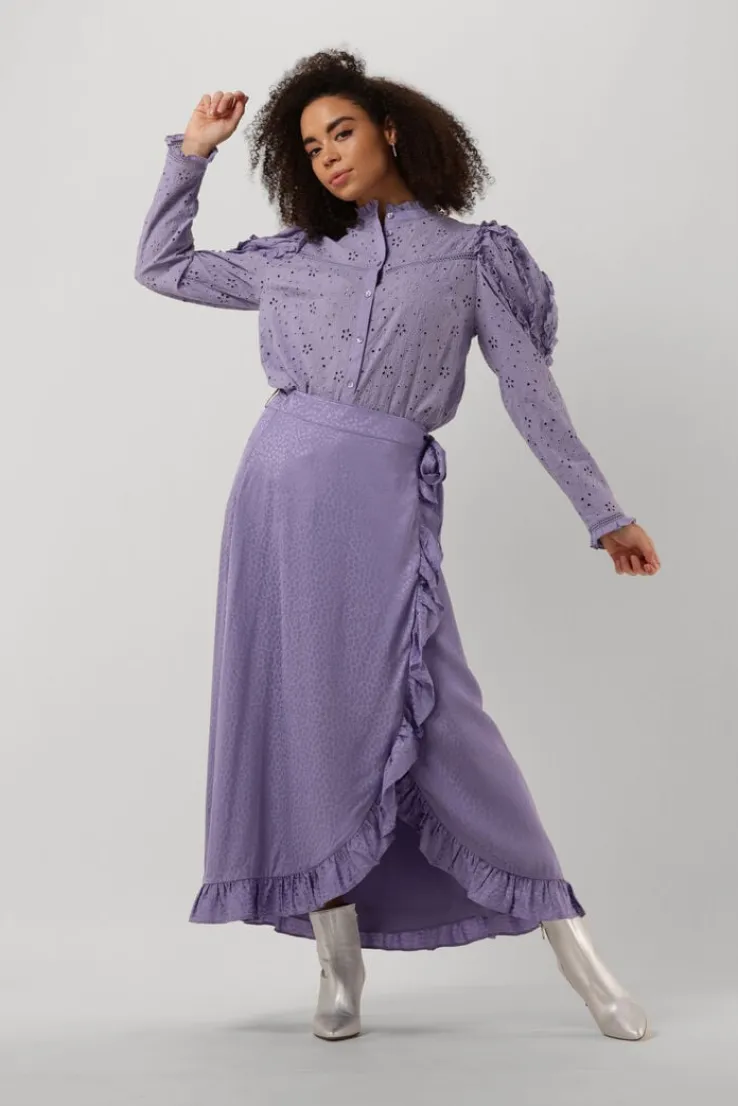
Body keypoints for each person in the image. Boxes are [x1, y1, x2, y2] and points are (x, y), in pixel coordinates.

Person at [134, 48, 659, 1043]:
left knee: (448, 721)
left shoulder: (471, 259)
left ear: (389, 131)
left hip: (380, 502)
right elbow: (161, 266)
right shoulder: (292, 258)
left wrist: (602, 512)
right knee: (304, 722)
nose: (327, 155)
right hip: (274, 503)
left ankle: (585, 965)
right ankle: (337, 966)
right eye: (308, 146)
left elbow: (531, 394)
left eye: (341, 131)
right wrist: (191, 154)